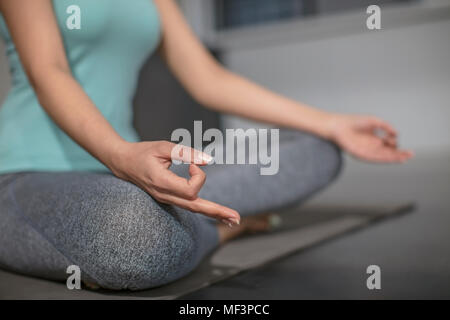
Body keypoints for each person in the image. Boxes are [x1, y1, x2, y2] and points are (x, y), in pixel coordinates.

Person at [0, 0, 412, 291]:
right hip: (29, 173)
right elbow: (48, 71)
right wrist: (120, 155)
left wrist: (332, 123)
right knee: (132, 231)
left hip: (125, 170)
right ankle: (223, 230)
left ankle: (178, 225)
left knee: (315, 149)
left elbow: (206, 78)